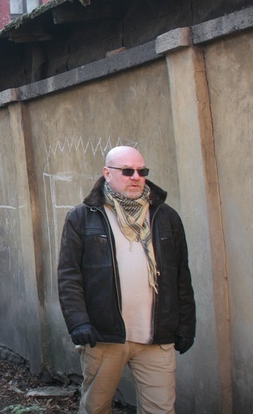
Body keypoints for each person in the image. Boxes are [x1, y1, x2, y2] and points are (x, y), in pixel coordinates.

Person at [57, 146, 196, 414]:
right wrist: (79, 322)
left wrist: (186, 325)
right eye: (127, 171)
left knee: (162, 410)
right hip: (105, 336)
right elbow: (69, 276)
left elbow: (181, 275)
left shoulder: (166, 217)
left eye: (141, 171)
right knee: (95, 408)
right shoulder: (83, 218)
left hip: (156, 336)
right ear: (107, 174)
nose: (136, 177)